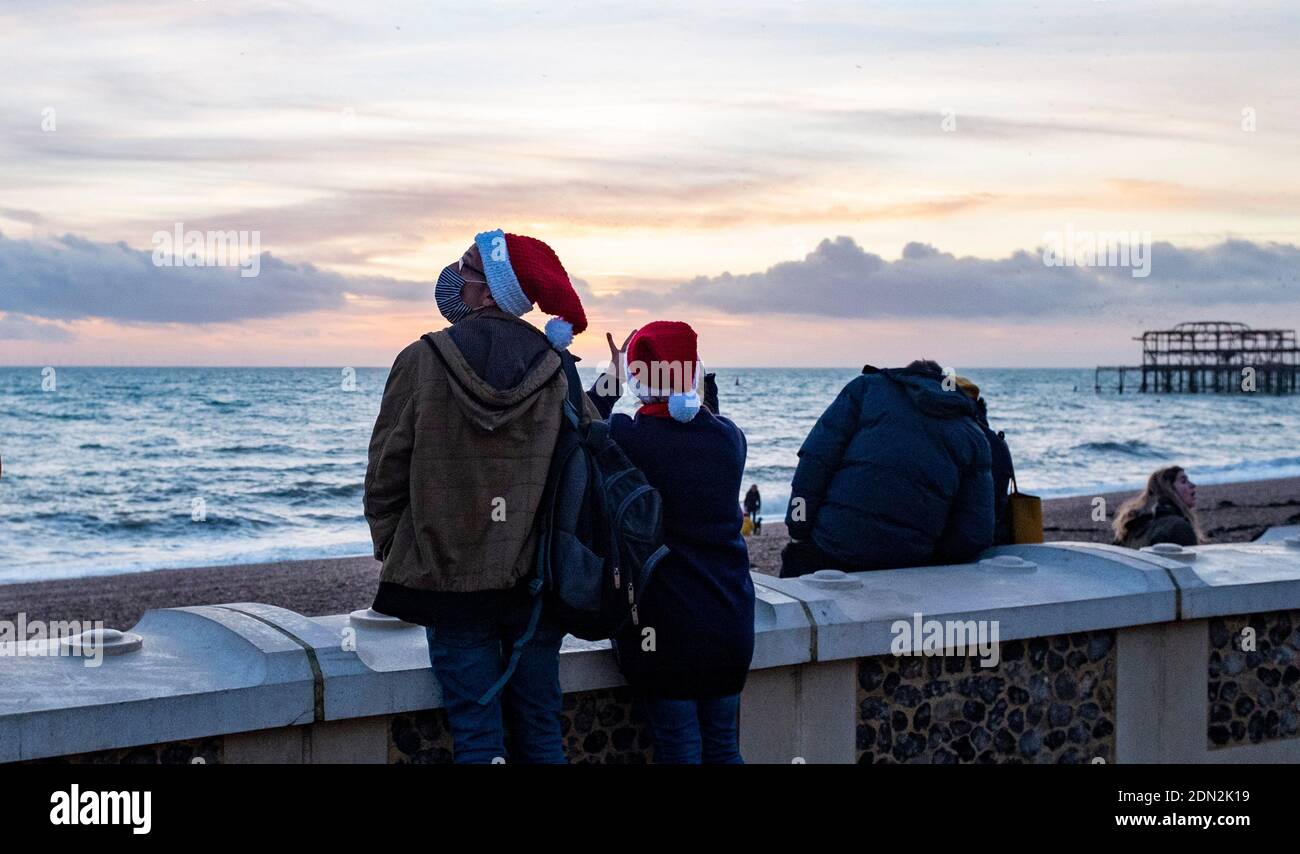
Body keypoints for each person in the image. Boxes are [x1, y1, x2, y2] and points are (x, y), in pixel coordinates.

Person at [364, 229, 596, 764]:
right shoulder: (557, 368)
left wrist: (394, 545)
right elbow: (584, 461)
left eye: (465, 270)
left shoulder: (422, 359)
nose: (453, 278)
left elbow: (385, 470)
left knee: (475, 731)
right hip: (537, 580)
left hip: (447, 576)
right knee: (540, 726)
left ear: (490, 290)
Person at [603, 321, 755, 764]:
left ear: (636, 379)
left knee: (680, 750)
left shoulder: (626, 437)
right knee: (725, 747)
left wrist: (610, 376)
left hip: (663, 630)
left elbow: (580, 418)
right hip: (729, 622)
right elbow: (704, 418)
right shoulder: (730, 440)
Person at [781, 360, 994, 576]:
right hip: (909, 565)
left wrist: (798, 528)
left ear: (908, 375)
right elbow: (975, 531)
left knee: (790, 597)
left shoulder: (865, 389)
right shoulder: (973, 434)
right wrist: (930, 559)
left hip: (832, 546)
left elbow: (815, 462)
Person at [1112, 465, 1205, 548]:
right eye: (1184, 481)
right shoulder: (1178, 527)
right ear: (1168, 489)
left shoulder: (1131, 526)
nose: (1193, 485)